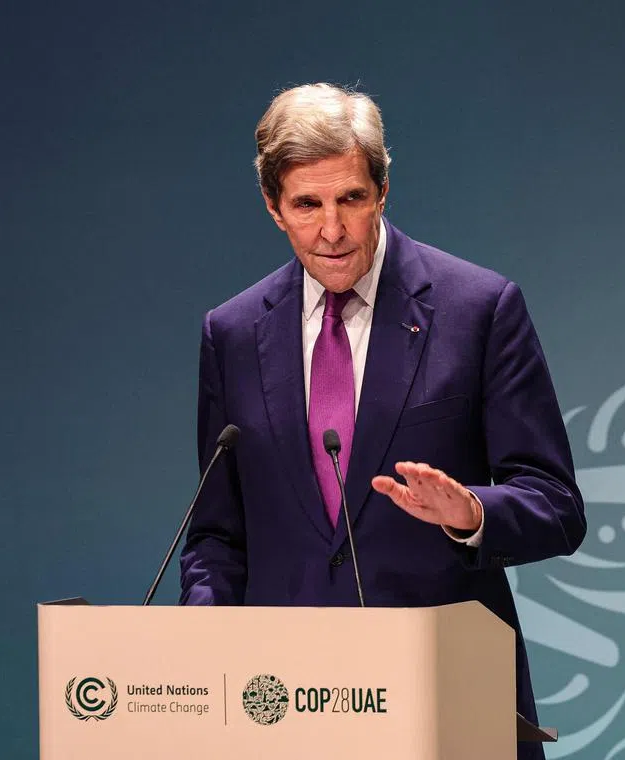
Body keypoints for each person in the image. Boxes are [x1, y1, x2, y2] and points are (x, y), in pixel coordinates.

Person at [179, 82, 586, 757]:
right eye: (307, 205)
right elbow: (218, 534)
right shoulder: (233, 333)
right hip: (283, 707)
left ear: (383, 192)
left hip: (443, 700)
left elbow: (557, 506)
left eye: (351, 199)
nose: (332, 230)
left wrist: (470, 513)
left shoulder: (478, 310)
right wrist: (200, 635)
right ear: (273, 207)